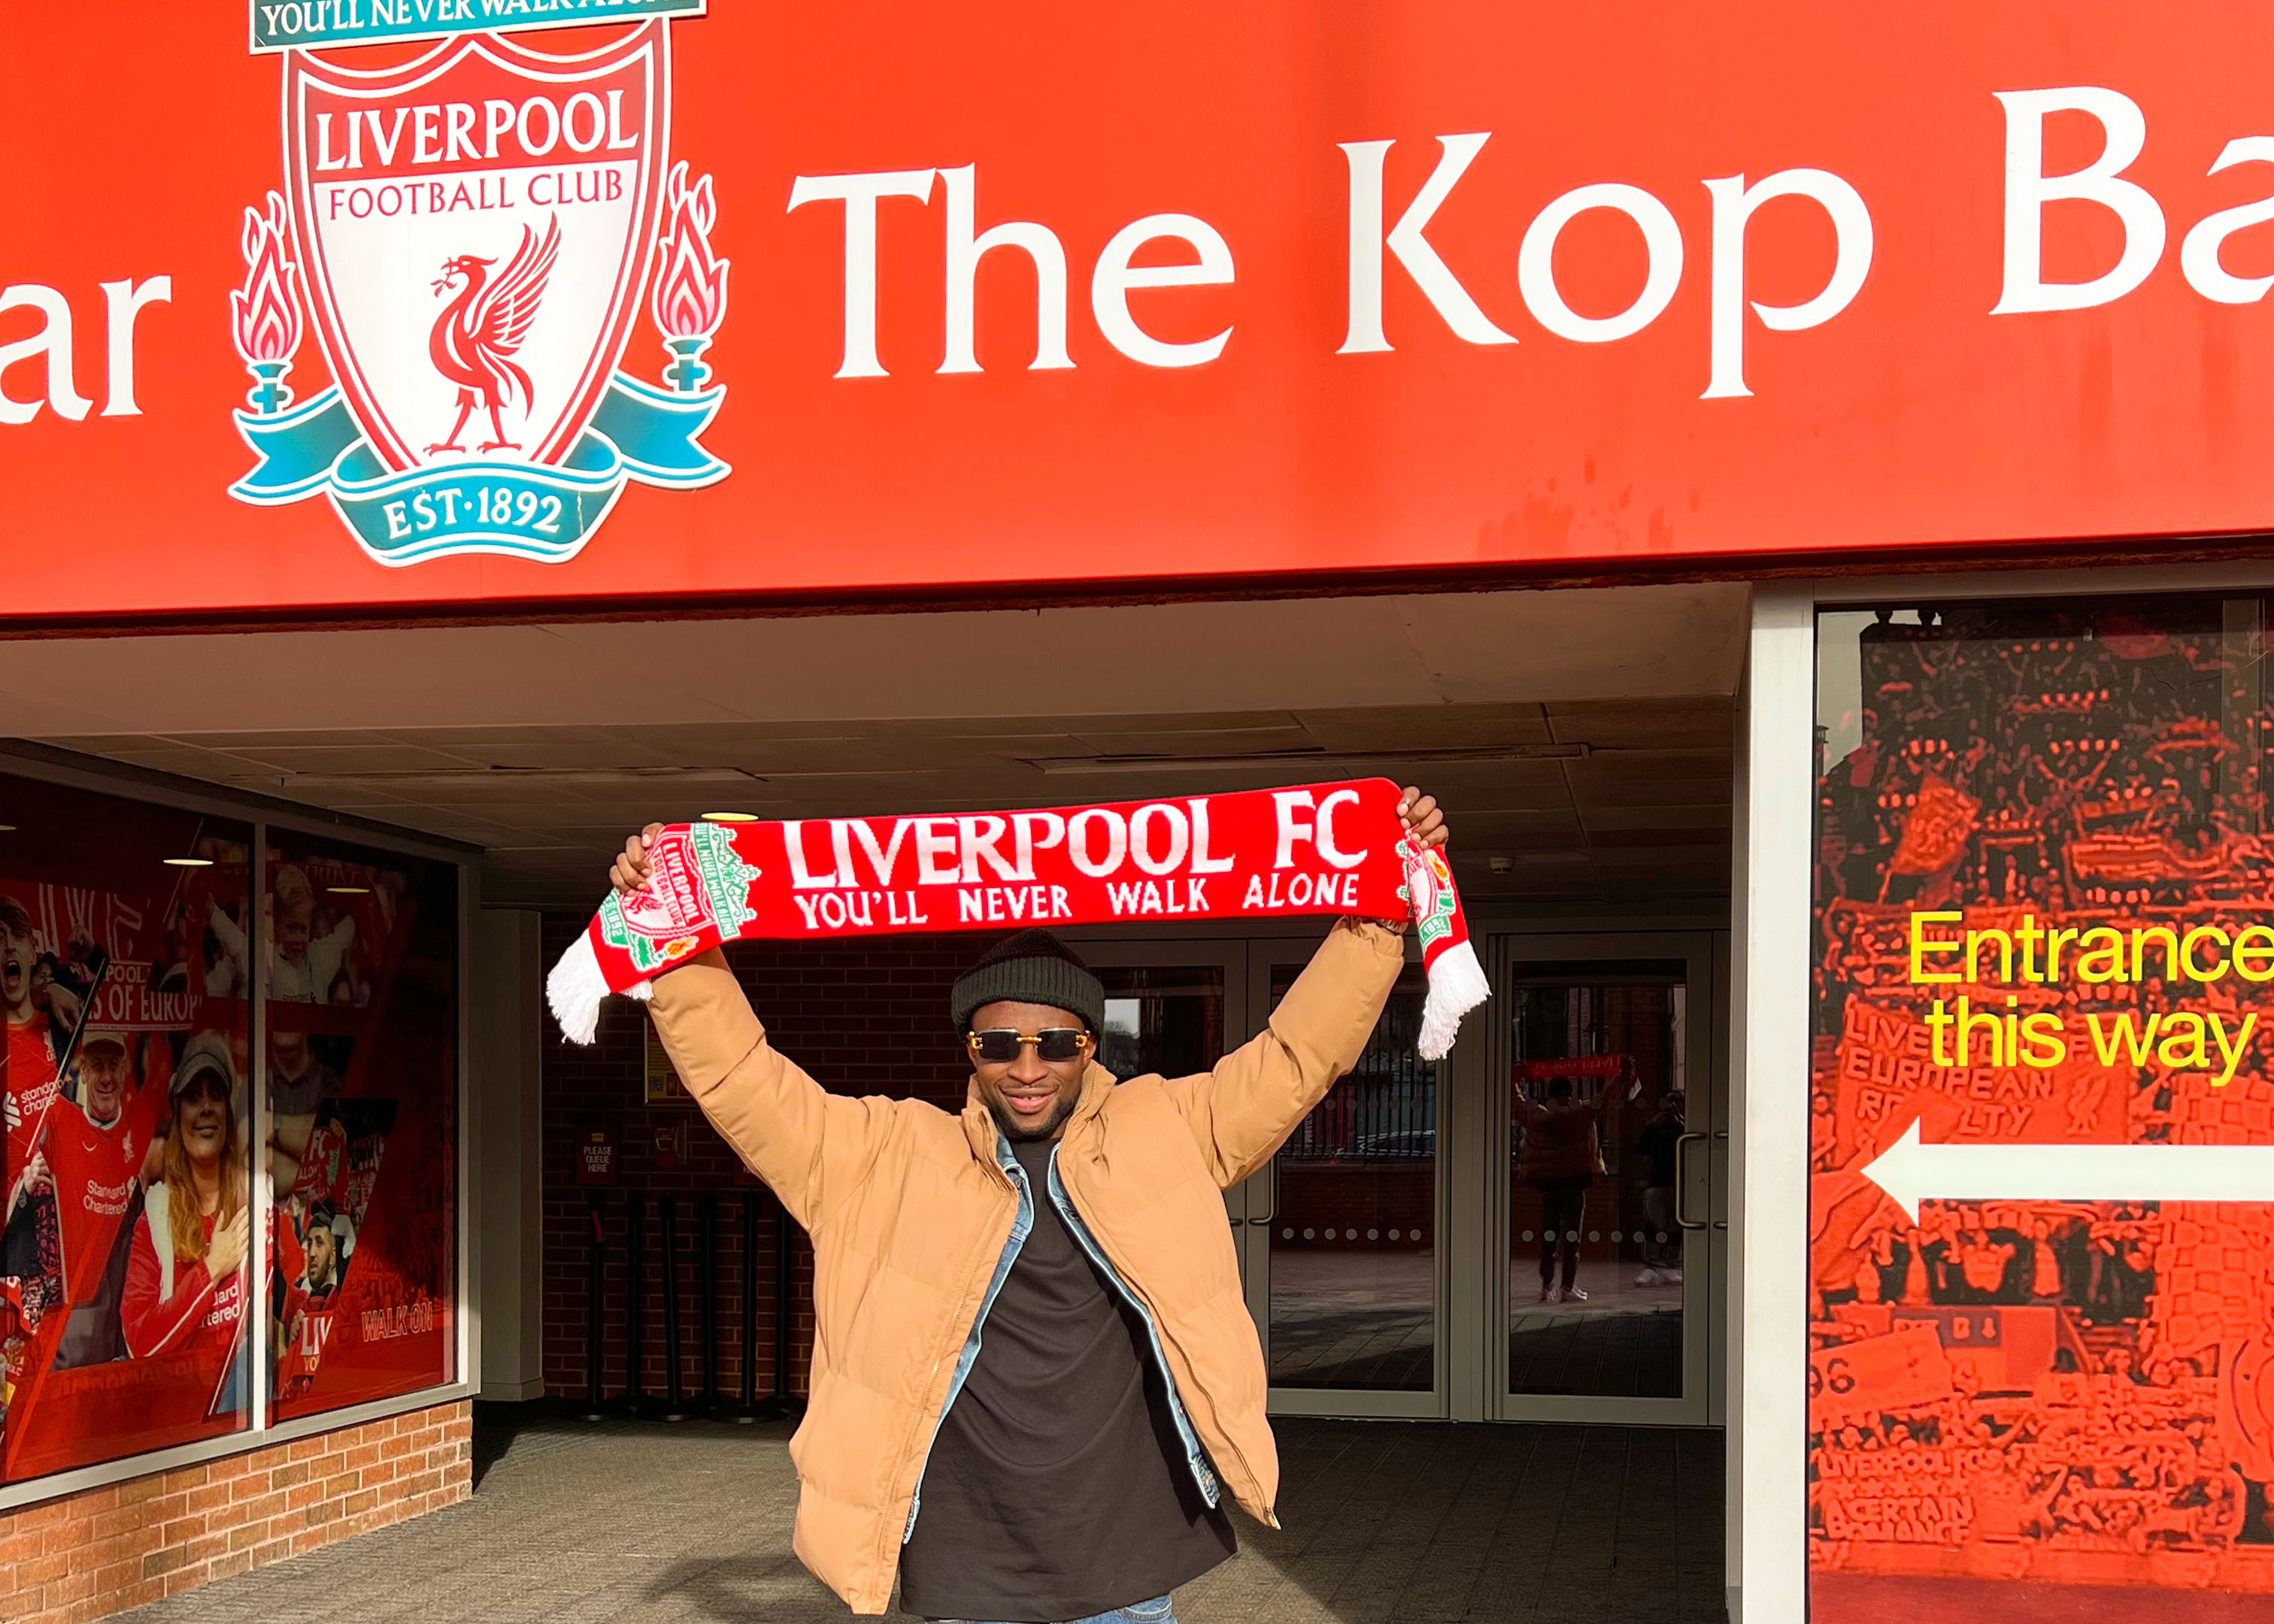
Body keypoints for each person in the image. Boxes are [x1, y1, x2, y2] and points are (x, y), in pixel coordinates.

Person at [616, 789, 1449, 1624]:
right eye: (998, 1044)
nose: (1028, 1068)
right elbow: (742, 1080)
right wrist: (671, 931)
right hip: (967, 1555)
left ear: (1090, 1044)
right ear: (969, 1051)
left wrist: (1378, 919)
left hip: (1125, 1551)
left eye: (1056, 1044)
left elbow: (1299, 1056)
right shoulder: (882, 1156)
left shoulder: (1168, 1127)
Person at [121, 1035, 250, 1364]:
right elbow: (140, 1343)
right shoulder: (156, 1216)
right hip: (180, 1408)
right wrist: (210, 1271)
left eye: (215, 1096)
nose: (206, 1107)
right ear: (178, 1117)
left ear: (228, 1113)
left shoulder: (257, 1202)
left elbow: (294, 1303)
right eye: (193, 1097)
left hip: (247, 1407)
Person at [14, 1025, 144, 1307]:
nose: (107, 1077)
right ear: (83, 1073)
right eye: (97, 1066)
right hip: (69, 1313)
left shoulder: (138, 1134)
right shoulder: (61, 1123)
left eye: (113, 1066)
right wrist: (25, 1184)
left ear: (124, 1072)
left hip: (118, 1310)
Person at [1516, 1074, 1609, 1304]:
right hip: (1574, 1184)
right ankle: (1568, 1286)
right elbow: (1604, 1099)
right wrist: (1619, 1076)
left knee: (1548, 1235)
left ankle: (1546, 1286)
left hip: (1548, 1185)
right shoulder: (1580, 1115)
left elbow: (1516, 1104)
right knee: (1572, 1236)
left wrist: (1512, 1080)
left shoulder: (1537, 1117)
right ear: (1569, 1095)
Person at [208, 865, 354, 1005]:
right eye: (291, 929)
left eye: (303, 930)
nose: (298, 939)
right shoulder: (266, 958)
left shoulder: (321, 957)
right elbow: (233, 939)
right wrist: (209, 906)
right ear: (278, 927)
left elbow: (350, 925)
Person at [1633, 1087, 1685, 1287]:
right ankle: (1652, 1265)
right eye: (1668, 1103)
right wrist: (1652, 1124)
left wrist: (1680, 1120)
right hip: (1658, 1181)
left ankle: (1674, 1263)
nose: (1671, 1107)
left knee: (1678, 1222)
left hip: (1682, 1181)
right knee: (1654, 1223)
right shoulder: (1657, 1127)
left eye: (1676, 1103)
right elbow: (1642, 1149)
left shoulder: (1685, 1126)